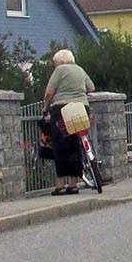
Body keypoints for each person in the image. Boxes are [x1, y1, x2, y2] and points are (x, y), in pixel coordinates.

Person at [42, 49, 95, 195]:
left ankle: (60, 185)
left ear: (60, 61)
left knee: (60, 146)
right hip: (81, 107)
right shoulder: (80, 70)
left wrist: (46, 107)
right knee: (75, 143)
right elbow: (91, 87)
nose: (54, 66)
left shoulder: (60, 70)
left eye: (55, 63)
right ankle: (73, 184)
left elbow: (48, 93)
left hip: (62, 110)